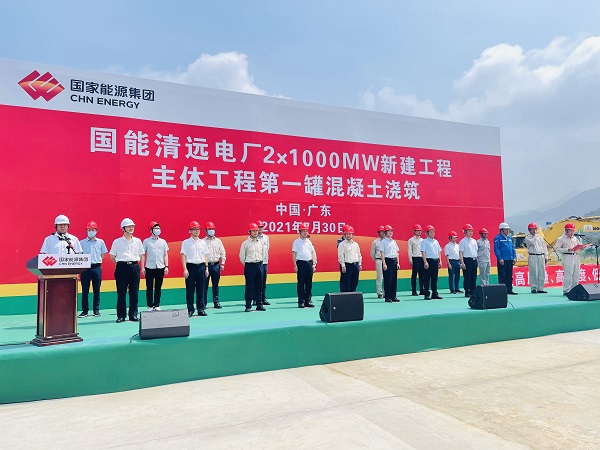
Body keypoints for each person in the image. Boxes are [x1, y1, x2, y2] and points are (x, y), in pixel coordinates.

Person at [109, 218, 145, 323]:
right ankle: (121, 316)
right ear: (123, 228)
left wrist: (142, 267)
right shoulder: (117, 242)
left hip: (134, 266)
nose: (131, 228)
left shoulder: (138, 241)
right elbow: (112, 257)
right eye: (129, 226)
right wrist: (120, 264)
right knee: (121, 293)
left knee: (134, 293)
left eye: (132, 226)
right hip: (122, 268)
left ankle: (133, 315)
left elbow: (141, 255)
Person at [78, 221, 107, 317]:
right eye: (89, 229)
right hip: (85, 268)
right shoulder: (81, 242)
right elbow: (79, 255)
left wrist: (97, 261)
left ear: (96, 230)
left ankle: (96, 310)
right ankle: (85, 311)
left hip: (96, 267)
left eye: (93, 229)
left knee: (96, 290)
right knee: (85, 290)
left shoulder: (100, 242)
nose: (91, 231)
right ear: (86, 231)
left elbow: (103, 254)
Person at [181, 221, 210, 317]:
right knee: (190, 290)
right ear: (190, 231)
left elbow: (205, 255)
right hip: (190, 267)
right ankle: (190, 309)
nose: (197, 231)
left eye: (198, 229)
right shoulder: (186, 242)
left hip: (201, 267)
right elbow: (183, 256)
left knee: (201, 289)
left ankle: (201, 309)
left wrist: (206, 268)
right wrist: (185, 269)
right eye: (194, 229)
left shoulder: (203, 242)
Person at [142, 221, 169, 311]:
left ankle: (156, 305)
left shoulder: (163, 241)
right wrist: (143, 267)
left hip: (160, 267)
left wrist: (166, 266)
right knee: (149, 287)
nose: (158, 230)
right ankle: (150, 306)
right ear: (151, 230)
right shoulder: (146, 241)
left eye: (158, 228)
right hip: (149, 267)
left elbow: (165, 254)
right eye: (155, 228)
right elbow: (143, 255)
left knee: (158, 287)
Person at [240, 223, 267, 312]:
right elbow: (242, 257)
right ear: (249, 232)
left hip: (259, 265)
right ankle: (248, 305)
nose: (255, 232)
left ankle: (259, 304)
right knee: (249, 286)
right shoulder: (245, 243)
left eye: (256, 231)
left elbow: (263, 253)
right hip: (250, 266)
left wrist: (260, 262)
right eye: (253, 231)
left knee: (259, 285)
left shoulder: (261, 242)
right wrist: (248, 264)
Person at [555, 223, 585, 296]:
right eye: (571, 231)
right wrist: (567, 249)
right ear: (566, 230)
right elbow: (557, 248)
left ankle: (574, 289)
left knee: (576, 274)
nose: (572, 232)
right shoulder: (561, 239)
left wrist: (581, 248)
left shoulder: (575, 238)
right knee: (568, 274)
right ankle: (567, 290)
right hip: (567, 256)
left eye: (573, 231)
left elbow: (578, 247)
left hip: (576, 256)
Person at [292, 222, 317, 308]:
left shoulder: (309, 242)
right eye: (303, 231)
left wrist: (313, 264)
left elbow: (312, 252)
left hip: (309, 263)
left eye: (306, 231)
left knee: (309, 283)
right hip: (301, 263)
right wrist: (295, 265)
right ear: (300, 232)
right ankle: (301, 301)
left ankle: (308, 300)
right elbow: (294, 253)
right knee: (301, 283)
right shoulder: (296, 242)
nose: (305, 233)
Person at [203, 221, 226, 309]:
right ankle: (203, 303)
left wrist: (222, 263)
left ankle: (216, 302)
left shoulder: (218, 241)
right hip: (206, 266)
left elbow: (222, 252)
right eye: (209, 229)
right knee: (204, 285)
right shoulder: (202, 242)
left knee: (215, 285)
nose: (211, 231)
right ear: (206, 230)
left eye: (212, 229)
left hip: (216, 265)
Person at [494, 222, 518, 295]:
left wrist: (514, 257)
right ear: (501, 230)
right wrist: (500, 258)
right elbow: (497, 249)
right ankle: (503, 291)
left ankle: (509, 289)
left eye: (508, 229)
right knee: (502, 276)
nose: (507, 231)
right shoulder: (498, 238)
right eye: (506, 229)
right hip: (503, 260)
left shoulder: (509, 238)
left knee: (509, 275)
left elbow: (512, 248)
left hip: (510, 259)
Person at [524, 223, 548, 294]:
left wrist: (546, 256)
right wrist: (535, 235)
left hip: (541, 256)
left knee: (541, 272)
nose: (534, 230)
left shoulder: (540, 238)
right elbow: (533, 242)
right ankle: (534, 288)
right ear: (529, 230)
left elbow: (544, 247)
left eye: (535, 229)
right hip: (533, 256)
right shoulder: (528, 238)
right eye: (532, 229)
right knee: (533, 272)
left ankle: (540, 288)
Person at [420, 225, 443, 300]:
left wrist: (440, 261)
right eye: (430, 232)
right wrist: (425, 262)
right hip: (428, 261)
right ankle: (426, 294)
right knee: (427, 278)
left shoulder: (436, 242)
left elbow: (439, 252)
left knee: (434, 278)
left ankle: (434, 293)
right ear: (427, 233)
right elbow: (423, 252)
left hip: (435, 261)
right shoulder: (424, 241)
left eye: (433, 232)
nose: (432, 233)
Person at [338, 226, 362, 292]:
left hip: (355, 265)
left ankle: (352, 296)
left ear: (352, 235)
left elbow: (359, 254)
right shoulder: (342, 244)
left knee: (354, 282)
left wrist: (360, 264)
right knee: (345, 283)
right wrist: (343, 265)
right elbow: (340, 255)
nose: (348, 235)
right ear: (344, 235)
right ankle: (345, 297)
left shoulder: (355, 244)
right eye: (347, 234)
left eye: (350, 234)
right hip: (346, 265)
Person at [380, 224, 400, 302]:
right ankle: (387, 297)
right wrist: (384, 263)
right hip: (387, 261)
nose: (390, 233)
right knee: (388, 280)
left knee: (394, 280)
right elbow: (382, 253)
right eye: (388, 231)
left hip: (394, 261)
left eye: (391, 231)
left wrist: (398, 263)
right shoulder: (383, 242)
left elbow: (397, 253)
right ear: (385, 233)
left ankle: (393, 296)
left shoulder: (394, 242)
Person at [459, 223, 478, 298]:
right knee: (467, 276)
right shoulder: (462, 241)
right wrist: (462, 263)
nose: (471, 232)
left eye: (471, 231)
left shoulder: (474, 241)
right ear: (465, 232)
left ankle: (473, 291)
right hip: (467, 260)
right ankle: (467, 291)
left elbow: (476, 251)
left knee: (473, 276)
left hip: (474, 260)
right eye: (469, 231)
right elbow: (461, 253)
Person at [408, 224, 425, 296]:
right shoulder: (411, 240)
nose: (419, 232)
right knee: (414, 275)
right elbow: (409, 250)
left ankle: (422, 290)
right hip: (415, 258)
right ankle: (414, 290)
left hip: (422, 258)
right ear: (414, 231)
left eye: (420, 231)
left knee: (422, 275)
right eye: (417, 231)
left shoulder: (423, 240)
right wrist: (410, 260)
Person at [256, 220, 271, 306]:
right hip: (256, 262)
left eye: (261, 227)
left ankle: (263, 298)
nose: (260, 228)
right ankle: (255, 299)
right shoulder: (253, 238)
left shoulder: (266, 238)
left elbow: (267, 249)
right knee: (256, 282)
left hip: (264, 262)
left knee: (263, 281)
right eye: (259, 227)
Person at [370, 225, 385, 298]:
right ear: (378, 233)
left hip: (387, 260)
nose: (383, 233)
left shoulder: (387, 241)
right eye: (381, 232)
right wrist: (376, 259)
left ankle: (387, 292)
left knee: (387, 277)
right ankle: (379, 292)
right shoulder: (375, 242)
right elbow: (372, 253)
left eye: (384, 231)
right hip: (379, 260)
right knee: (379, 277)